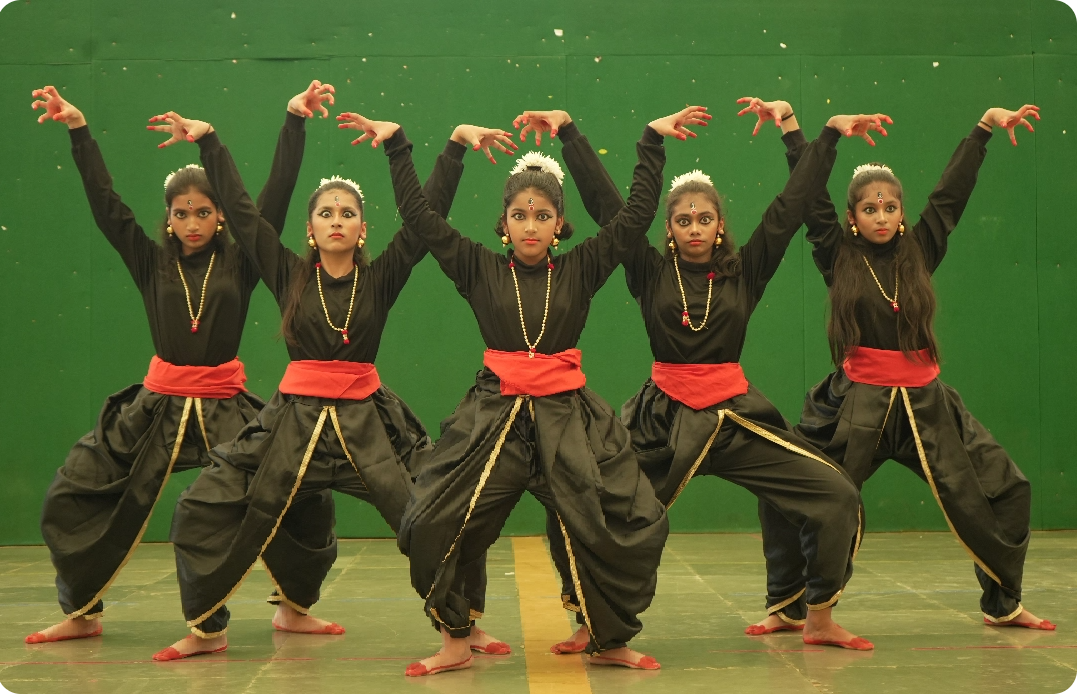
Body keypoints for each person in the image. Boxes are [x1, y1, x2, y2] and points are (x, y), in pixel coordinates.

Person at [344, 104, 706, 675]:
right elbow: (419, 217)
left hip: (569, 418)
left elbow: (635, 216)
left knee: (615, 519)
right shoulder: (477, 266)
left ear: (559, 223)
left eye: (542, 215)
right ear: (504, 223)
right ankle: (456, 638)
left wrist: (643, 141)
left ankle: (607, 637)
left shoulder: (582, 267)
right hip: (494, 417)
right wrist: (417, 145)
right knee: (437, 517)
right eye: (519, 214)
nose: (530, 225)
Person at [145, 107, 516, 660]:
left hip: (371, 426)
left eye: (347, 213)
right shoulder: (287, 272)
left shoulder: (380, 276)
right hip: (291, 425)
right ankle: (208, 629)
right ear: (311, 229)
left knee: (442, 504)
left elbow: (426, 218)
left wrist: (451, 145)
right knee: (203, 503)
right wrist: (211, 142)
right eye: (325, 212)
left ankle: (458, 626)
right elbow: (242, 213)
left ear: (362, 229)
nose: (336, 219)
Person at [529, 104, 877, 652]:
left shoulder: (745, 271)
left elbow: (790, 207)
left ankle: (818, 617)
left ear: (720, 227)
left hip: (737, 417)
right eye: (684, 221)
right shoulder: (649, 270)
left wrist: (823, 136)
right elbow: (605, 204)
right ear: (669, 229)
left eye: (705, 220)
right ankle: (590, 621)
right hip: (662, 421)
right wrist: (579, 132)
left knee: (835, 493)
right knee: (583, 499)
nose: (695, 228)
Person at [24, 82, 334, 645]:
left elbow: (276, 196)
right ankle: (81, 613)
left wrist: (294, 122)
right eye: (182, 213)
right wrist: (78, 130)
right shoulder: (149, 262)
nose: (193, 222)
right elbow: (107, 205)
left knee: (298, 493)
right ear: (168, 219)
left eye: (204, 212)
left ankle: (292, 608)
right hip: (156, 406)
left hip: (226, 405)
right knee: (72, 493)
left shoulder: (241, 263)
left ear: (221, 217)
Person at [763, 101, 1054, 631]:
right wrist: (792, 128)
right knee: (793, 489)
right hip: (855, 404)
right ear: (852, 218)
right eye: (869, 209)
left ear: (901, 212)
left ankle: (1002, 603)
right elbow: (810, 198)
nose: (881, 216)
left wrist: (983, 127)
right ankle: (790, 606)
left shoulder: (920, 250)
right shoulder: (837, 254)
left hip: (928, 405)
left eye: (890, 207)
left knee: (1007, 487)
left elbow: (950, 196)